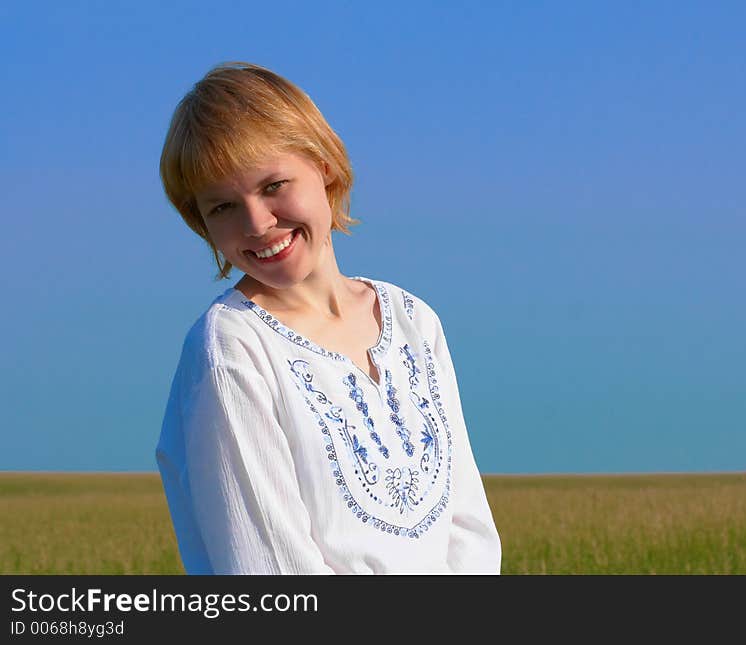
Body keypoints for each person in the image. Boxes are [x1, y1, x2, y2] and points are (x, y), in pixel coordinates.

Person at [155, 62, 502, 574]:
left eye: (273, 185)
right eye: (223, 207)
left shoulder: (413, 320)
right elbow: (268, 567)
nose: (257, 223)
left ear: (325, 167)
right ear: (201, 225)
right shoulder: (231, 346)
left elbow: (468, 523)